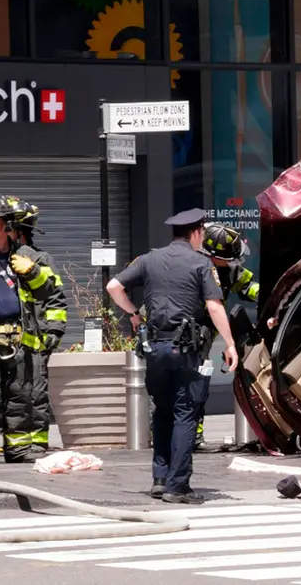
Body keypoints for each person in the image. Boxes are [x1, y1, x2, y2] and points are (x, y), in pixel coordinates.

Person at [106, 208, 239, 505]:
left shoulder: (148, 259)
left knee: (163, 411)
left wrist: (134, 313)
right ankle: (178, 486)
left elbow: (113, 287)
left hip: (155, 349)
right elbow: (214, 305)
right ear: (196, 233)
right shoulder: (201, 263)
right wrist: (229, 344)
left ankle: (160, 479)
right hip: (187, 351)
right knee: (185, 413)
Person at [0, 193, 62, 464]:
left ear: (6, 225)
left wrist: (32, 272)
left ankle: (18, 449)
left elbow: (49, 292)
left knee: (19, 396)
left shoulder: (28, 257)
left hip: (19, 339)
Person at [6, 196, 68, 456]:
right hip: (7, 340)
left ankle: (38, 442)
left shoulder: (40, 259)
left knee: (35, 393)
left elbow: (56, 298)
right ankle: (14, 442)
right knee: (7, 394)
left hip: (36, 338)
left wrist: (53, 330)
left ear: (19, 232)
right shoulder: (0, 260)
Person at [194, 221, 259, 450]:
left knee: (198, 385)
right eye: (229, 258)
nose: (234, 262)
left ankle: (193, 436)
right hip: (176, 336)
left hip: (201, 340)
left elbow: (249, 287)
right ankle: (165, 435)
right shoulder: (189, 267)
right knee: (173, 388)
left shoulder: (228, 270)